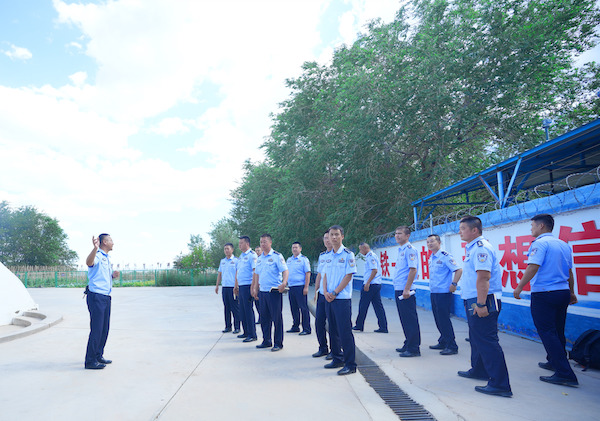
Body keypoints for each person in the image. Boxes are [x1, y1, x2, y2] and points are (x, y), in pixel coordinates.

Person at [513, 214, 578, 387]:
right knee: (557, 330)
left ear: (541, 226)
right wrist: (571, 292)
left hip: (544, 293)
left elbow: (533, 266)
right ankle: (554, 361)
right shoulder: (563, 245)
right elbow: (570, 272)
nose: (531, 228)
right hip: (562, 292)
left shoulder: (540, 244)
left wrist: (519, 287)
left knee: (547, 332)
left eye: (532, 225)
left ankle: (565, 373)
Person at [457, 215, 512, 397]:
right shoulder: (472, 248)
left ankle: (500, 384)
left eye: (463, 228)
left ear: (474, 230)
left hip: (483, 300)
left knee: (488, 342)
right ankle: (479, 370)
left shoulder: (482, 248)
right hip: (474, 299)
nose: (460, 232)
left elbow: (484, 278)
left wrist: (480, 304)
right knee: (476, 338)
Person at [322, 225, 357, 375]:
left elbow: (348, 276)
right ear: (328, 237)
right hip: (329, 298)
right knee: (333, 330)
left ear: (342, 236)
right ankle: (337, 358)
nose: (334, 237)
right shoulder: (327, 256)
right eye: (331, 235)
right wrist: (325, 292)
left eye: (337, 234)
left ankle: (350, 364)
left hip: (341, 298)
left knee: (345, 332)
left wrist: (335, 292)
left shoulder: (348, 255)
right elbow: (324, 276)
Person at [84, 234, 119, 370]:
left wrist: (112, 276)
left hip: (105, 296)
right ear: (104, 242)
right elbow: (88, 263)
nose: (113, 243)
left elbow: (101, 276)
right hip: (96, 296)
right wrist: (95, 248)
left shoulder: (106, 258)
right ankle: (90, 361)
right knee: (97, 329)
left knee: (104, 329)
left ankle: (98, 355)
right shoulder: (97, 255)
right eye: (111, 240)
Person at [252, 234, 289, 351]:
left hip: (274, 292)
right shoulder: (260, 258)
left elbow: (285, 270)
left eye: (265, 242)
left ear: (270, 243)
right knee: (264, 318)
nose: (262, 244)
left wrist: (284, 283)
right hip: (262, 291)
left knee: (276, 318)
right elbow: (257, 274)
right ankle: (266, 340)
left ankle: (278, 343)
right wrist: (255, 288)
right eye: (261, 242)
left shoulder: (277, 256)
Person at [426, 234, 462, 355]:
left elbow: (458, 270)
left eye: (432, 241)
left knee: (444, 319)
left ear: (439, 242)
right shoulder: (431, 257)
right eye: (428, 242)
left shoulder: (445, 256)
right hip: (434, 292)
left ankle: (452, 346)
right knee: (438, 319)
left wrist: (454, 284)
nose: (430, 244)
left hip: (443, 293)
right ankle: (443, 340)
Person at [393, 226, 421, 357]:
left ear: (407, 235)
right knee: (404, 318)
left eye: (400, 233)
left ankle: (414, 348)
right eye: (396, 234)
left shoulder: (410, 250)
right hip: (399, 288)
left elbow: (413, 269)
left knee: (410, 319)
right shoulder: (401, 250)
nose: (397, 236)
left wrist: (407, 289)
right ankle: (408, 342)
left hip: (406, 290)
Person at [353, 242, 388, 333]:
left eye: (360, 249)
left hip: (371, 285)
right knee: (378, 306)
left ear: (365, 248)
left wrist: (367, 283)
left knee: (363, 305)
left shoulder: (371, 256)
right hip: (375, 284)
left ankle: (359, 325)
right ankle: (383, 326)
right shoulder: (371, 256)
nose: (360, 252)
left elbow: (374, 270)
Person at [312, 231, 332, 358]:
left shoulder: (340, 255)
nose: (327, 240)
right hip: (321, 294)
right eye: (324, 238)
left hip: (332, 294)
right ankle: (323, 347)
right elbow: (320, 274)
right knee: (319, 322)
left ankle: (335, 350)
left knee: (333, 324)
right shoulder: (323, 256)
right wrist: (316, 290)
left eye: (328, 237)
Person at [234, 236, 258, 343]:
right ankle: (246, 332)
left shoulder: (252, 255)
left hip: (248, 285)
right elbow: (238, 272)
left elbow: (255, 272)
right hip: (241, 286)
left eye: (241, 243)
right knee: (242, 310)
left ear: (247, 244)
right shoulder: (241, 256)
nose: (239, 245)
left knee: (248, 310)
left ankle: (252, 334)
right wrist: (236, 286)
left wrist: (253, 287)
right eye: (239, 243)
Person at [286, 242, 312, 335]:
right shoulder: (289, 260)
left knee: (303, 308)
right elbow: (286, 273)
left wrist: (306, 287)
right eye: (293, 247)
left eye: (296, 247)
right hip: (291, 287)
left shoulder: (304, 259)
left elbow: (307, 273)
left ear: (300, 249)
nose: (294, 249)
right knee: (294, 308)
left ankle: (306, 328)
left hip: (300, 286)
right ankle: (295, 326)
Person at [215, 243, 240, 334]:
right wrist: (217, 285)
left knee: (235, 308)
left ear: (232, 250)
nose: (226, 250)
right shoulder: (223, 261)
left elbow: (238, 274)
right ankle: (228, 326)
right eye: (225, 249)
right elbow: (220, 274)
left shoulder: (236, 260)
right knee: (226, 307)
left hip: (233, 288)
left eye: (228, 249)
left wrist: (236, 286)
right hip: (225, 287)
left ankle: (237, 327)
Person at [253, 246, 263, 324]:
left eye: (258, 251)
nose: (257, 252)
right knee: (257, 303)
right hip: (257, 286)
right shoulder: (256, 261)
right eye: (256, 251)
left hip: (263, 286)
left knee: (262, 303)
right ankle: (260, 318)